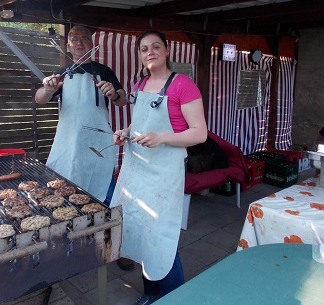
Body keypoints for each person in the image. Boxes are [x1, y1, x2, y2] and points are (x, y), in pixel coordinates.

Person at [109, 30, 207, 305]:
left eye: (155, 47)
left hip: (165, 173)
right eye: (144, 49)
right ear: (140, 55)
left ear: (166, 51)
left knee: (160, 236)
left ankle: (177, 298)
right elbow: (139, 125)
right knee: (140, 232)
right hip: (137, 171)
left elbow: (200, 133)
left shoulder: (183, 85)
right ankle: (151, 293)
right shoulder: (139, 86)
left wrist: (162, 138)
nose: (150, 52)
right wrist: (126, 132)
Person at [35, 25, 127, 203]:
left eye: (84, 38)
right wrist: (47, 89)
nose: (79, 42)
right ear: (69, 45)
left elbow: (122, 100)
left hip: (97, 142)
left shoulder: (104, 71)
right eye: (74, 39)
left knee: (103, 192)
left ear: (92, 44)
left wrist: (114, 94)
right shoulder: (61, 73)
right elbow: (39, 99)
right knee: (63, 191)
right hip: (68, 142)